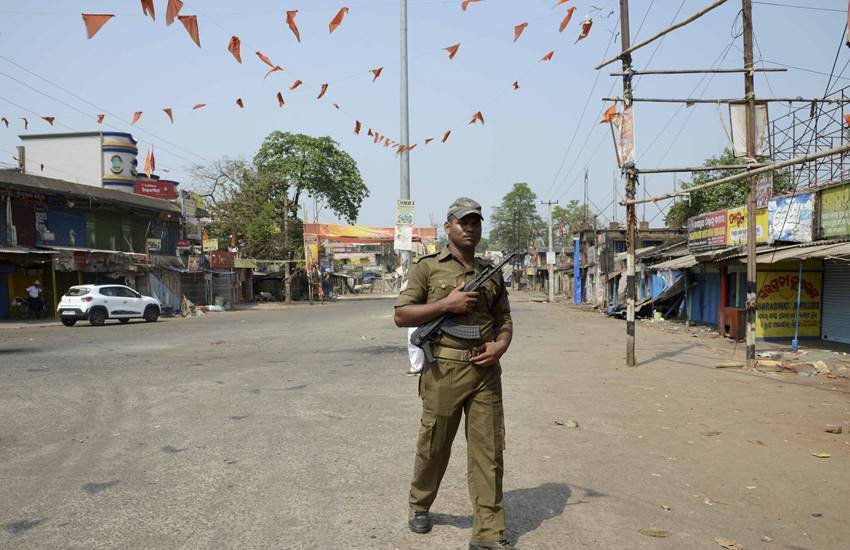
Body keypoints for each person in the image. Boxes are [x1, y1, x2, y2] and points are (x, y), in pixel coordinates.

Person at [394, 197, 515, 550]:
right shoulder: (427, 268)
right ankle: (420, 503)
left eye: (476, 221)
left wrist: (501, 345)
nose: (471, 227)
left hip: (486, 369)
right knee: (434, 445)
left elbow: (504, 320)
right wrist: (447, 305)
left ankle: (489, 532)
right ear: (448, 226)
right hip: (443, 369)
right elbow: (402, 315)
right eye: (464, 221)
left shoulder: (491, 272)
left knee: (489, 451)